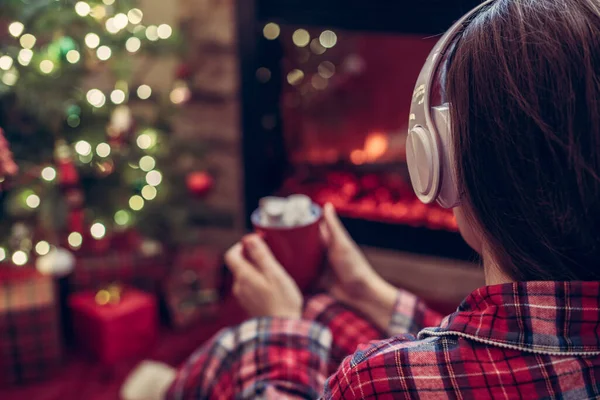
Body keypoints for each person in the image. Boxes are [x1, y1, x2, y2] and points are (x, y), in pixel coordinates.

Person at [165, 0, 600, 398]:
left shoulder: (372, 381)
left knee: (247, 345)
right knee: (326, 309)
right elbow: (500, 350)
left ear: (440, 162)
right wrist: (369, 291)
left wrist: (281, 328)